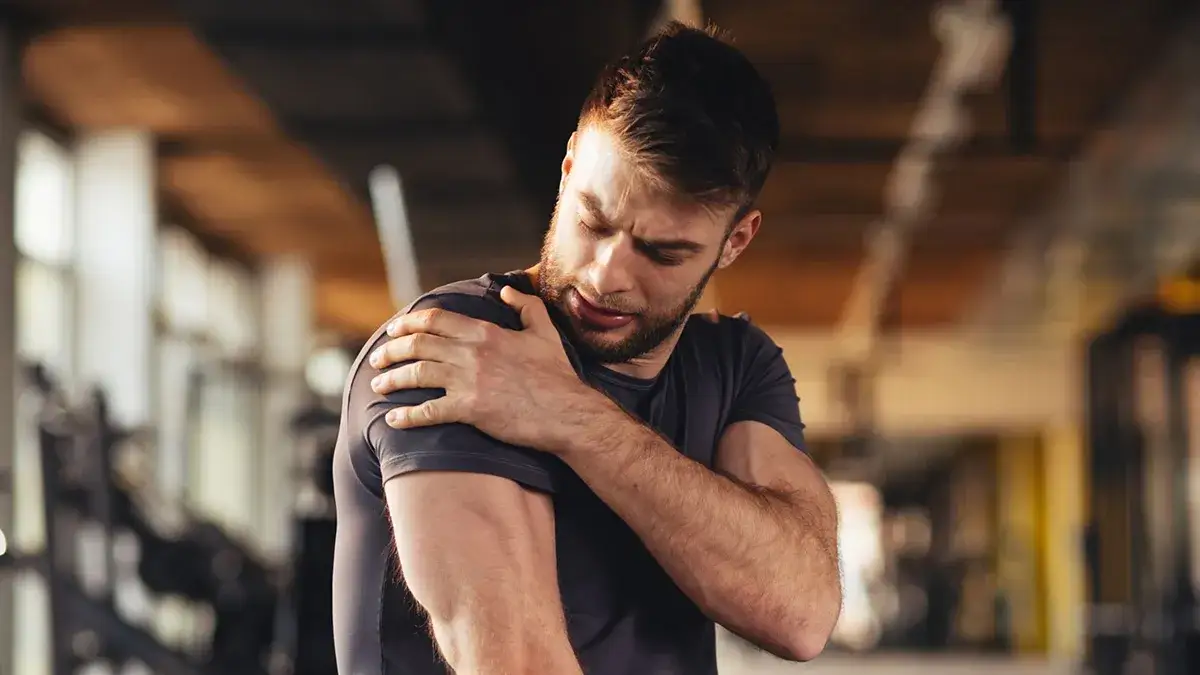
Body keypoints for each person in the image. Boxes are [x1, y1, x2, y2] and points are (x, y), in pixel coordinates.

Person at [331, 21, 842, 675]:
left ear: (735, 241)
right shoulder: (462, 348)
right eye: (593, 221)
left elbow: (801, 614)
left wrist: (573, 417)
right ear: (569, 166)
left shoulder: (733, 364)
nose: (606, 275)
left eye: (661, 252)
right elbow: (516, 662)